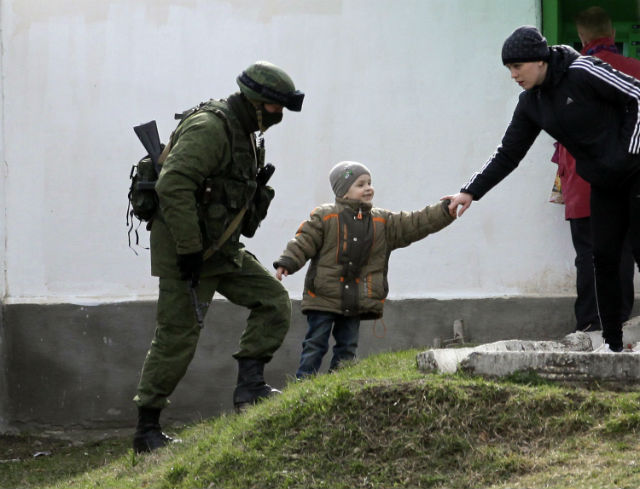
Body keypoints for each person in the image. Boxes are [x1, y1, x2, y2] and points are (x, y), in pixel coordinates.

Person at [132, 61, 304, 453]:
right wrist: (189, 249)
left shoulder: (247, 134)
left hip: (221, 248)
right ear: (257, 102)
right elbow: (173, 185)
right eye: (275, 107)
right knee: (177, 337)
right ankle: (147, 429)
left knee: (273, 301)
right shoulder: (211, 127)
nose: (279, 115)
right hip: (186, 252)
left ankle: (250, 388)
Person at [444, 26, 640, 353]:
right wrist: (470, 191)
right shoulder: (531, 103)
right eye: (509, 68)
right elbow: (508, 153)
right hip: (604, 182)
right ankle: (613, 345)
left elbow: (637, 94)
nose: (513, 75)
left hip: (635, 171)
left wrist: (628, 154)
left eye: (517, 66)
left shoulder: (583, 70)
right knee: (603, 259)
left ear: (539, 60)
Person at [274, 161, 455, 378]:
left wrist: (445, 210)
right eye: (360, 184)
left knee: (348, 346)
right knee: (316, 343)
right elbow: (304, 241)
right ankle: (304, 382)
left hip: (356, 300)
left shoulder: (382, 221)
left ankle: (339, 382)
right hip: (323, 296)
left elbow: (415, 222)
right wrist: (287, 262)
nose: (368, 188)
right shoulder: (326, 216)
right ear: (343, 191)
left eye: (369, 183)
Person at [552, 6, 640, 332]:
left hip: (583, 182)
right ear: (612, 34)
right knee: (623, 254)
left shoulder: (568, 76)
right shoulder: (635, 70)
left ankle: (591, 326)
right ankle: (619, 326)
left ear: (580, 36)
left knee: (589, 255)